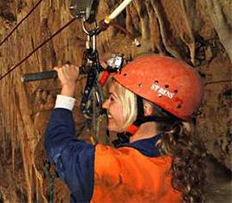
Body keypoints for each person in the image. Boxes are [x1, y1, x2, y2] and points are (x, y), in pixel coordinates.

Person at [45, 54, 206, 202]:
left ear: (146, 109)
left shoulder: (112, 167)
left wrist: (67, 88)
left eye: (113, 98)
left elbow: (58, 145)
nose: (105, 105)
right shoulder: (180, 166)